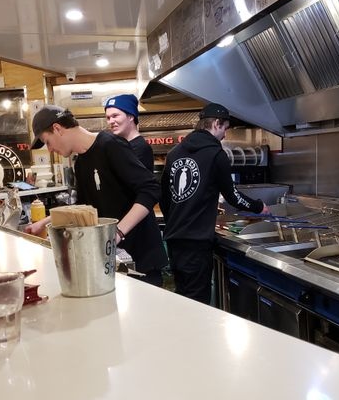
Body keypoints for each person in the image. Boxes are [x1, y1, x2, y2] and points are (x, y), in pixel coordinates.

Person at [25, 106, 168, 287]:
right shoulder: (80, 163)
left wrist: (117, 232)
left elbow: (150, 189)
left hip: (141, 257)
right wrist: (44, 223)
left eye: (48, 142)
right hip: (112, 258)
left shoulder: (110, 145)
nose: (50, 149)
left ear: (57, 129)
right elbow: (83, 207)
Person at [160, 103, 269, 304]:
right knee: (197, 302)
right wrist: (259, 207)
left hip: (174, 239)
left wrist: (176, 221)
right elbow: (233, 196)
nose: (225, 135)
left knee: (182, 297)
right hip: (196, 243)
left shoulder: (174, 153)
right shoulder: (216, 155)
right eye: (225, 128)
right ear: (216, 123)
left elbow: (165, 197)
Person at [104, 94, 154, 171]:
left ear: (130, 117)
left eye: (115, 116)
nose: (111, 121)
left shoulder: (140, 148)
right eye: (108, 118)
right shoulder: (123, 146)